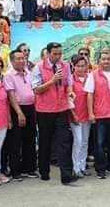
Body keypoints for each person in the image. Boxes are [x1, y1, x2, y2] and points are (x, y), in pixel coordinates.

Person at [31, 42, 77, 185]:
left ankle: (66, 174)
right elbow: (36, 89)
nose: (58, 56)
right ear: (48, 53)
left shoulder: (65, 66)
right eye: (55, 54)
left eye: (60, 53)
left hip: (62, 108)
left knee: (64, 141)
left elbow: (69, 82)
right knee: (45, 142)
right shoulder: (38, 67)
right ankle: (44, 171)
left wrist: (70, 92)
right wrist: (52, 81)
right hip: (44, 110)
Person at [85, 49, 110, 179]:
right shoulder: (93, 75)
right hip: (99, 114)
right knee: (99, 143)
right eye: (103, 59)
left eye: (108, 59)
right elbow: (89, 95)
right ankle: (100, 168)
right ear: (99, 61)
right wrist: (90, 113)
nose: (106, 61)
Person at [4, 50, 39, 180]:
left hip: (31, 108)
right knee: (15, 141)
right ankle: (15, 170)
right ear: (12, 61)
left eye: (23, 58)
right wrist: (19, 113)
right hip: (17, 109)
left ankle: (29, 168)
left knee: (30, 139)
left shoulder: (29, 73)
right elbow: (11, 95)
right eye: (18, 59)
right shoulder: (9, 75)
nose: (21, 61)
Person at [69, 55, 91, 178]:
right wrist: (73, 114)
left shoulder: (90, 78)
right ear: (73, 66)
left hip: (87, 115)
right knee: (77, 141)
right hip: (75, 116)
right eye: (78, 66)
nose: (81, 68)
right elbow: (69, 99)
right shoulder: (71, 80)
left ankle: (82, 166)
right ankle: (75, 167)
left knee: (84, 142)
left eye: (83, 66)